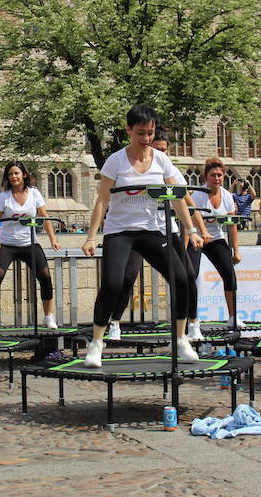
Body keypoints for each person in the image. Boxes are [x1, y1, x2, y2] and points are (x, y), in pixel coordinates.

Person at [81, 106, 204, 368]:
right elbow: (102, 200)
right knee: (113, 284)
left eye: (149, 133)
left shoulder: (161, 160)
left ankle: (180, 339)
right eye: (140, 133)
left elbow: (177, 196)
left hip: (151, 230)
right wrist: (92, 237)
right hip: (120, 231)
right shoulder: (115, 160)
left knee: (182, 279)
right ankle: (96, 343)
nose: (146, 138)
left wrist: (191, 230)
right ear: (129, 130)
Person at [101, 128, 207, 341]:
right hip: (138, 228)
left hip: (165, 230)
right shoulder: (128, 163)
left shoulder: (168, 169)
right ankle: (115, 322)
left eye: (164, 150)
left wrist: (198, 230)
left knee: (186, 276)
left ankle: (192, 324)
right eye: (157, 148)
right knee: (128, 275)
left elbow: (186, 202)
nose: (160, 152)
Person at [0, 161, 60, 329]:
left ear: (24, 175)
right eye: (10, 174)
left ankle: (49, 316)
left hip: (29, 243)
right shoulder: (3, 197)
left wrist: (53, 239)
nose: (14, 176)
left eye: (16, 173)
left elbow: (44, 216)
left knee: (45, 277)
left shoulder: (34, 193)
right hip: (7, 243)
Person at [190, 158, 244, 326]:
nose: (217, 179)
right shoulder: (198, 195)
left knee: (229, 274)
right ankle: (192, 320)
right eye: (213, 175)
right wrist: (201, 233)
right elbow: (192, 217)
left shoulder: (227, 196)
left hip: (215, 238)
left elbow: (232, 224)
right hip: (197, 238)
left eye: (220, 175)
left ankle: (233, 316)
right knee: (191, 275)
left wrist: (236, 250)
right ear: (206, 177)